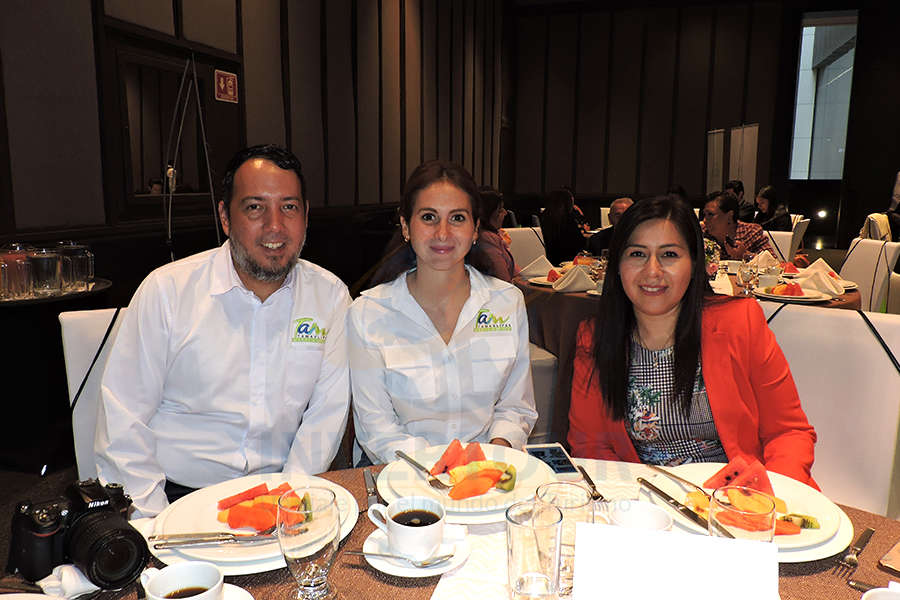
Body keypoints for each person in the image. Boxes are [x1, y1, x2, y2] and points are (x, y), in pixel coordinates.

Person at [95, 145, 351, 517]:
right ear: (225, 217)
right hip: (174, 495)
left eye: (289, 207)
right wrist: (153, 520)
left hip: (280, 493)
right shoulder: (168, 291)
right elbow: (122, 418)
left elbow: (324, 420)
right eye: (255, 207)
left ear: (306, 216)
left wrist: (291, 509)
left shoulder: (330, 298)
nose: (275, 225)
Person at [568, 195, 816, 486]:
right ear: (617, 263)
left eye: (669, 255)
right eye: (637, 254)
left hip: (735, 499)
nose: (652, 271)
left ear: (694, 262)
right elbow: (591, 447)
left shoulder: (740, 322)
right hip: (644, 504)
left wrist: (769, 497)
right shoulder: (595, 337)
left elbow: (788, 433)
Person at [349, 160, 537, 465]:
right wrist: (443, 470)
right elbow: (377, 431)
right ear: (406, 226)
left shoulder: (506, 302)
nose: (443, 233)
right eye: (428, 217)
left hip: (487, 473)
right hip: (403, 478)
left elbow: (516, 407)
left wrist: (493, 457)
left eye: (458, 218)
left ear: (475, 228)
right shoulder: (368, 313)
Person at [702, 191, 775, 259]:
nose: (704, 220)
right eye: (704, 215)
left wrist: (745, 255)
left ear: (729, 216)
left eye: (710, 214)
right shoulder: (704, 235)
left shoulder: (750, 233)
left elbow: (773, 263)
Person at [476, 187, 517, 282]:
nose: (505, 213)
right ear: (488, 214)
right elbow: (503, 279)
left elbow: (515, 272)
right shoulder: (486, 238)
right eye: (500, 210)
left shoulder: (494, 235)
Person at [540, 188, 586, 265]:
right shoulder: (568, 219)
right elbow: (580, 243)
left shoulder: (544, 216)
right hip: (567, 261)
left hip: (547, 260)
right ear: (568, 204)